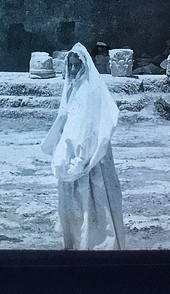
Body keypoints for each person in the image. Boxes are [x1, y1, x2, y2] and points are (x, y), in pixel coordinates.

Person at [41, 42, 126, 250]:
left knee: (93, 200)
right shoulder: (72, 88)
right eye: (69, 65)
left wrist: (82, 158)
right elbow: (67, 120)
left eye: (76, 66)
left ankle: (95, 244)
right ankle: (75, 242)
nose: (72, 70)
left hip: (90, 155)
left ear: (85, 66)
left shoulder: (91, 90)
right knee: (74, 200)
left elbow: (91, 128)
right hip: (72, 151)